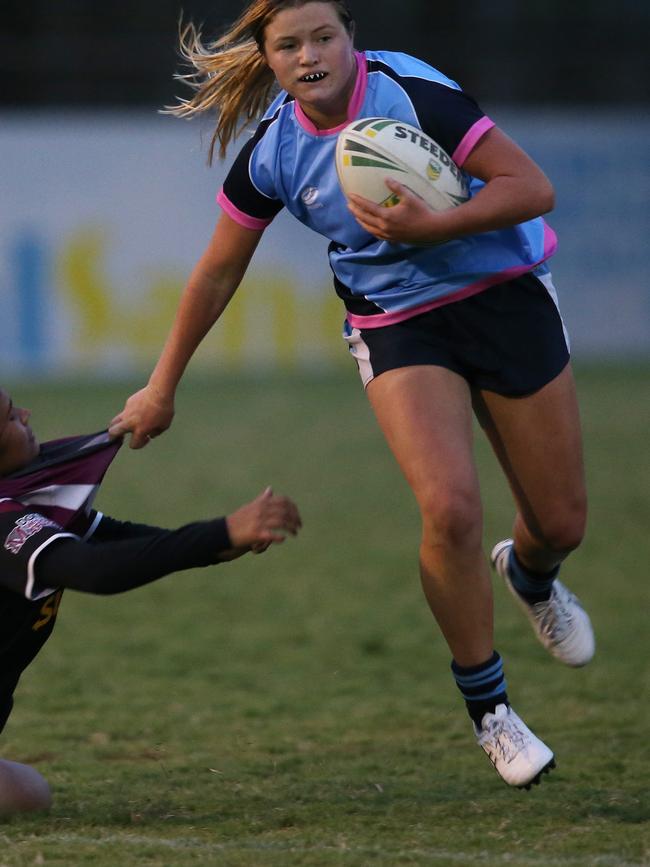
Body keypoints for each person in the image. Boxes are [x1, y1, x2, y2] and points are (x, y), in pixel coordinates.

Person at [108, 0, 595, 789]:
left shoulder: (414, 95)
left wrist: (439, 226)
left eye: (323, 37)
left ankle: (532, 576)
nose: (310, 56)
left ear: (351, 38)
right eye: (289, 45)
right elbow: (219, 269)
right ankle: (493, 713)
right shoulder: (273, 149)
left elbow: (531, 187)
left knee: (561, 520)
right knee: (450, 508)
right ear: (268, 59)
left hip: (503, 293)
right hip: (400, 322)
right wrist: (161, 386)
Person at [0, 387, 302, 813]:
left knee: (27, 797)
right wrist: (222, 533)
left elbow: (115, 541)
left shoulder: (25, 506)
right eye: (10, 417)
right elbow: (94, 569)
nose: (27, 416)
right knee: (26, 796)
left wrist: (218, 541)